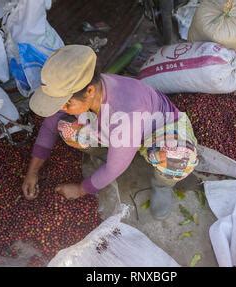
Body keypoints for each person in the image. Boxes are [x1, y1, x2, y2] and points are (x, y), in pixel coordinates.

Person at [21, 45, 198, 220]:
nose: (62, 108)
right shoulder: (83, 91)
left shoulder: (126, 113)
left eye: (66, 104)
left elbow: (115, 169)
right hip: (120, 131)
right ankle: (114, 153)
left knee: (177, 157)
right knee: (67, 129)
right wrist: (33, 172)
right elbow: (49, 125)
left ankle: (162, 185)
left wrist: (81, 189)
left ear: (90, 91)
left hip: (158, 129)